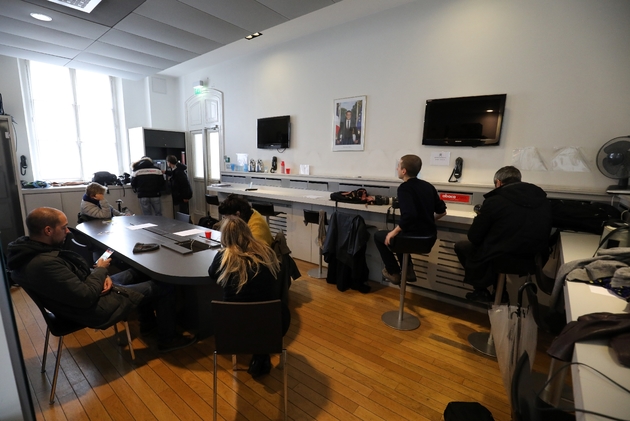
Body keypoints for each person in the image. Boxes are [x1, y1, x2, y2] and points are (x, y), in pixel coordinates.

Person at [6, 207, 196, 353]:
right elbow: (85, 295)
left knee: (139, 272)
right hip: (96, 307)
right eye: (63, 228)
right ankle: (167, 339)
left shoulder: (28, 252)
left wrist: (99, 275)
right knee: (163, 285)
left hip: (89, 290)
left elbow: (73, 282)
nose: (68, 232)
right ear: (48, 230)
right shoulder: (43, 264)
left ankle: (148, 324)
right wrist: (100, 271)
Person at [454, 166, 552, 302]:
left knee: (463, 247)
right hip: (534, 259)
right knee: (497, 250)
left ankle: (481, 289)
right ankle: (501, 292)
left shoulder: (494, 201)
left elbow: (474, 237)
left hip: (502, 258)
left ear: (498, 182)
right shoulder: (543, 201)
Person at [208, 216, 290, 378]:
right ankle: (262, 354)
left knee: (244, 311)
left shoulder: (223, 257)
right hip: (272, 326)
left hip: (232, 330)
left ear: (224, 237)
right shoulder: (266, 252)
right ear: (248, 232)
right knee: (266, 310)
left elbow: (212, 275)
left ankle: (259, 354)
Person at [374, 154, 447, 285]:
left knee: (380, 236)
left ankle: (393, 272)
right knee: (401, 235)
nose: (397, 168)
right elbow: (442, 211)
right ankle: (408, 271)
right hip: (429, 238)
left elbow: (409, 216)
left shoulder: (404, 188)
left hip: (413, 239)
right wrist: (428, 220)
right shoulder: (428, 186)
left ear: (404, 171)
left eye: (398, 166)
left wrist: (393, 232)